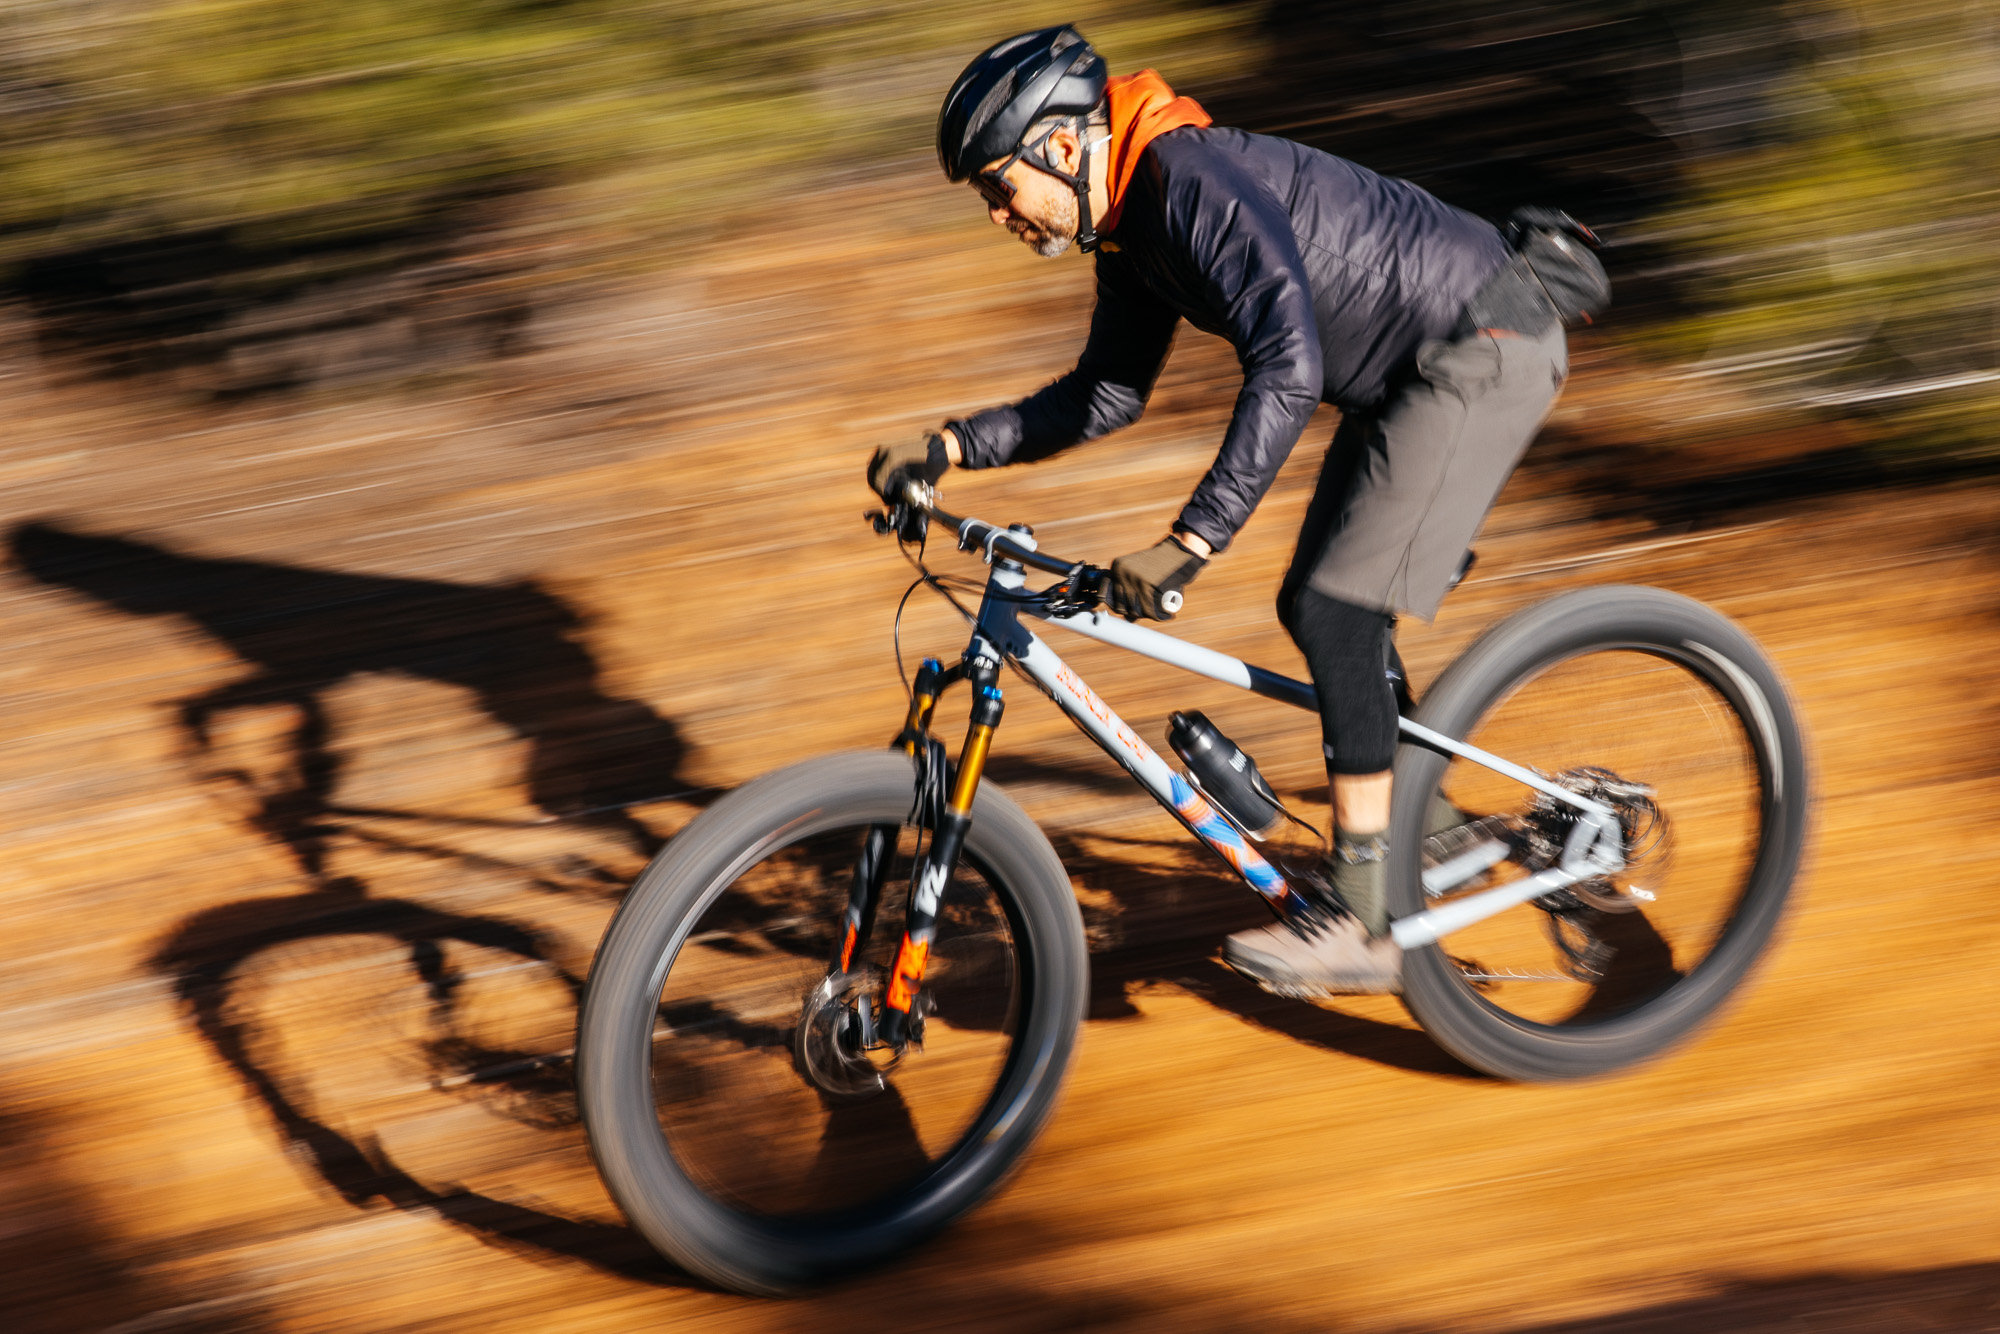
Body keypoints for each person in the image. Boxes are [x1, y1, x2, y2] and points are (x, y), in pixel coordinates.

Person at [870, 25, 1582, 997]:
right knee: (1317, 608)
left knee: (1335, 607)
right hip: (1403, 373)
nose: (999, 214)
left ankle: (1367, 920)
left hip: (1484, 340)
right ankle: (1433, 830)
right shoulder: (1127, 229)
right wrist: (949, 448)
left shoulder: (1184, 180)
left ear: (1064, 147)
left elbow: (1284, 364)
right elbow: (1107, 390)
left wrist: (1189, 541)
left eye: (999, 185)